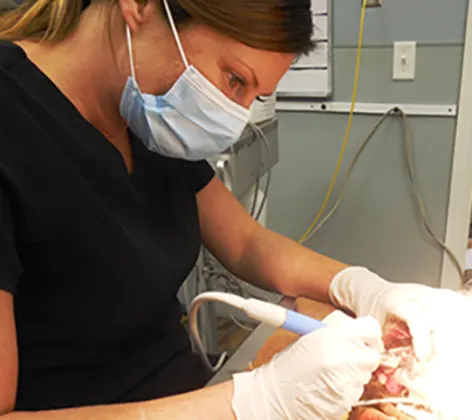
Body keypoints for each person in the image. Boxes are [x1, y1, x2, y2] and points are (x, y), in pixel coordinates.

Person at [0, 0, 465, 418]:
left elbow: (246, 243)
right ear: (139, 6)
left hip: (186, 394)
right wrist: (254, 400)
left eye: (255, 95)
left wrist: (365, 287)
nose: (235, 115)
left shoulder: (141, 108)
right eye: (235, 79)